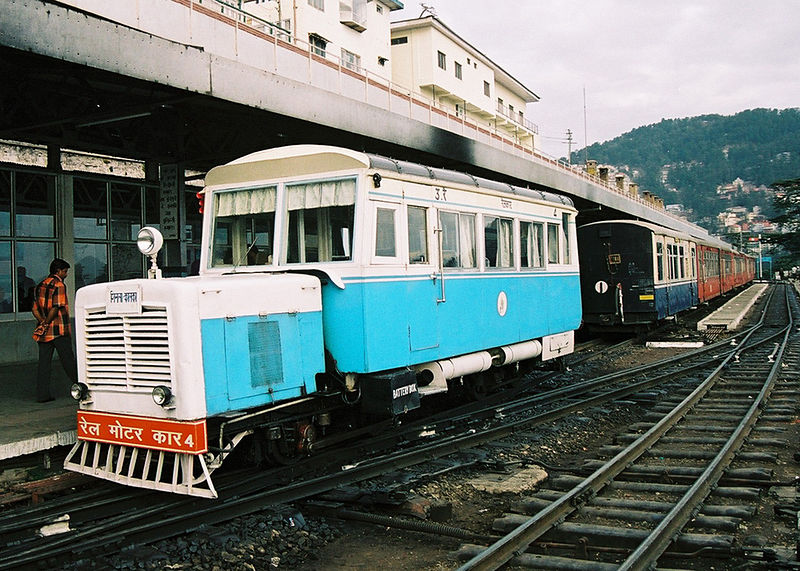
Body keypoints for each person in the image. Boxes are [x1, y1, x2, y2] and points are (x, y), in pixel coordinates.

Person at [32, 258, 78, 403]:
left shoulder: (40, 284)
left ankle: (42, 395)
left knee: (44, 364)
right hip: (59, 330)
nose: (66, 274)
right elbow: (56, 307)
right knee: (69, 362)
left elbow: (34, 308)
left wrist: (42, 323)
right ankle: (83, 389)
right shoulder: (59, 285)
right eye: (65, 271)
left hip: (43, 332)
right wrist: (47, 322)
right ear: (58, 271)